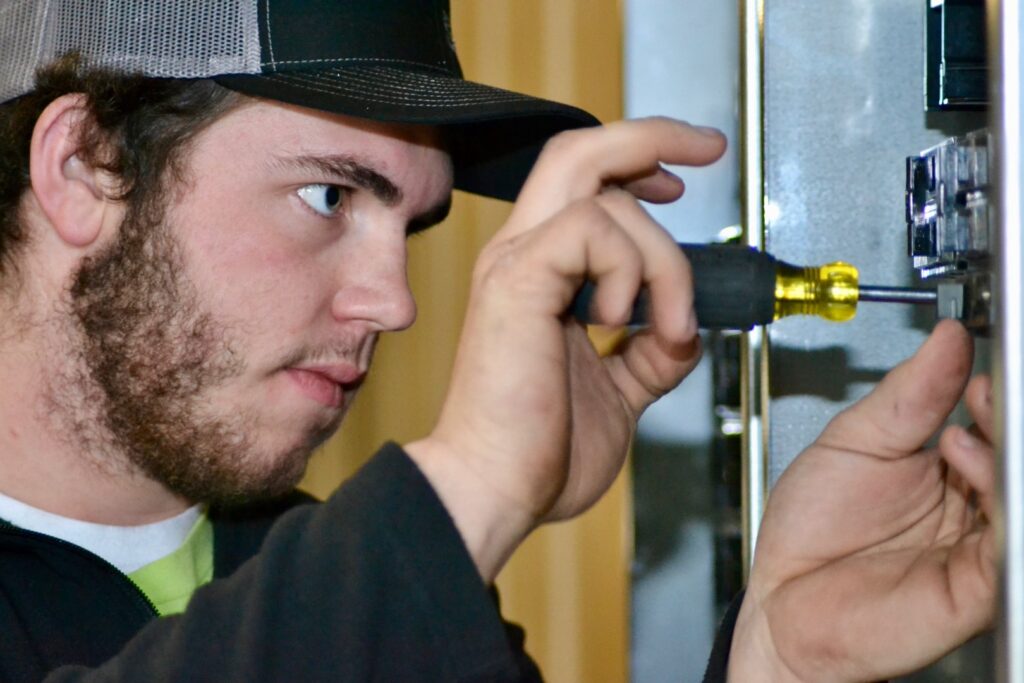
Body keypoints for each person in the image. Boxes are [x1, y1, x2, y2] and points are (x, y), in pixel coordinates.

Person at [0, 1, 994, 681]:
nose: (394, 303)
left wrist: (776, 652)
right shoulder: (370, 587)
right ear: (85, 168)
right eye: (327, 194)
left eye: (412, 228)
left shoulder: (329, 584)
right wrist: (470, 482)